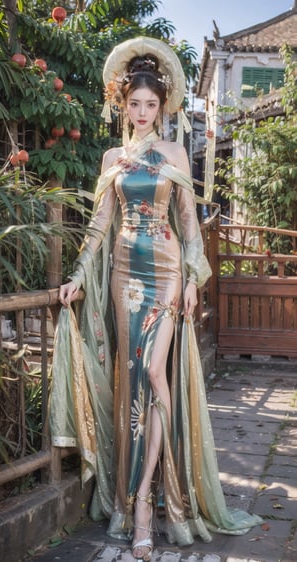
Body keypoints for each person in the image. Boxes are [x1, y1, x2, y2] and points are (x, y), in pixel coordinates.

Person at [50, 36, 262, 562]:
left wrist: (192, 280)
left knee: (152, 374)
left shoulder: (172, 154)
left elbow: (190, 228)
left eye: (150, 105)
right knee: (130, 380)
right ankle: (133, 498)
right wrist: (77, 275)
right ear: (122, 107)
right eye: (133, 105)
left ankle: (146, 500)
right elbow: (100, 224)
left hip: (166, 271)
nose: (142, 113)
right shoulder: (112, 157)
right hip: (124, 277)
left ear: (162, 108)